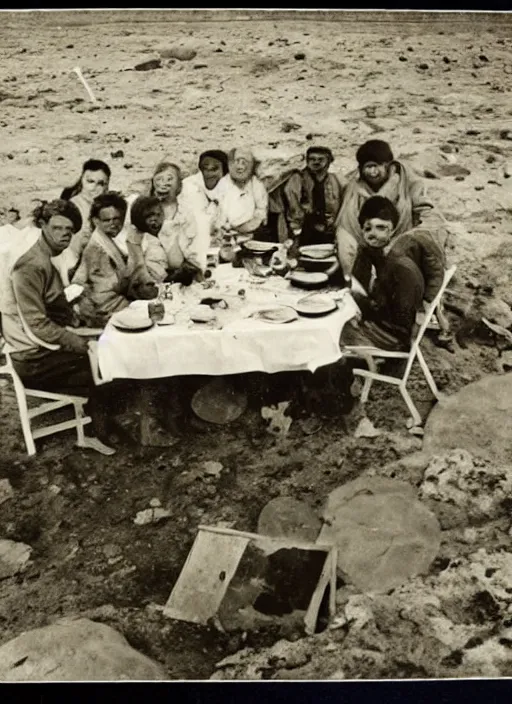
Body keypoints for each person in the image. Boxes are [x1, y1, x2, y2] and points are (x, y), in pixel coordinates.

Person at [0, 199, 122, 443]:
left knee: (103, 346)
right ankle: (97, 433)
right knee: (103, 362)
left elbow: (53, 302)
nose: (65, 235)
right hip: (30, 356)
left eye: (69, 230)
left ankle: (100, 417)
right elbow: (36, 323)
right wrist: (75, 341)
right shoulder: (32, 263)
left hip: (34, 346)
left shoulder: (44, 252)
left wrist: (75, 317)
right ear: (43, 225)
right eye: (57, 228)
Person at [341, 196, 446, 352]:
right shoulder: (369, 255)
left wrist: (365, 305)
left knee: (336, 331)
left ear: (393, 230)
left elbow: (401, 316)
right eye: (367, 228)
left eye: (381, 228)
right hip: (385, 322)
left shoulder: (398, 265)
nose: (373, 234)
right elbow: (359, 284)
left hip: (394, 337)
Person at [335, 139, 442, 287]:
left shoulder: (408, 183)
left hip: (398, 242)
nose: (372, 172)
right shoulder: (355, 187)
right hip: (366, 241)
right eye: (368, 167)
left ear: (388, 165)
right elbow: (347, 221)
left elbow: (426, 210)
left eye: (377, 166)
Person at [72, 192, 157, 327]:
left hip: (112, 302)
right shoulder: (97, 248)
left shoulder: (107, 241)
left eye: (117, 219)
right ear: (96, 221)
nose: (113, 224)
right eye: (106, 220)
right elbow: (106, 293)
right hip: (102, 310)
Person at [148, 161, 208, 285]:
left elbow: (192, 245)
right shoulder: (146, 211)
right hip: (153, 271)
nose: (164, 183)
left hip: (180, 270)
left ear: (179, 187)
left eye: (170, 179)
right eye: (159, 179)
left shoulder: (185, 214)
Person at [56, 159, 111, 285]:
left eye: (101, 183)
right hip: (72, 263)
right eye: (90, 181)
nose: (94, 188)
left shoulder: (101, 206)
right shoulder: (73, 205)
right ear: (82, 180)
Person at [283, 146, 343, 248]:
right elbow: (293, 207)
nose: (316, 162)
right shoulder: (298, 179)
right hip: (304, 230)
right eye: (312, 159)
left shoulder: (335, 180)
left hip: (329, 230)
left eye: (321, 159)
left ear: (329, 161)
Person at [218, 147, 269, 240]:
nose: (240, 167)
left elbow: (261, 211)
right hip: (224, 235)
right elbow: (216, 211)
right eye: (237, 162)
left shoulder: (256, 185)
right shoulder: (222, 184)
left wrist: (245, 228)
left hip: (250, 234)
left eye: (244, 163)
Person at [115, 195, 169, 284]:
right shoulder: (142, 239)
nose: (154, 220)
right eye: (149, 216)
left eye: (158, 215)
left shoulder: (164, 233)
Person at [180, 150, 229, 245]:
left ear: (224, 170)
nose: (208, 173)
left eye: (214, 169)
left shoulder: (231, 188)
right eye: (205, 168)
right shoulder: (188, 186)